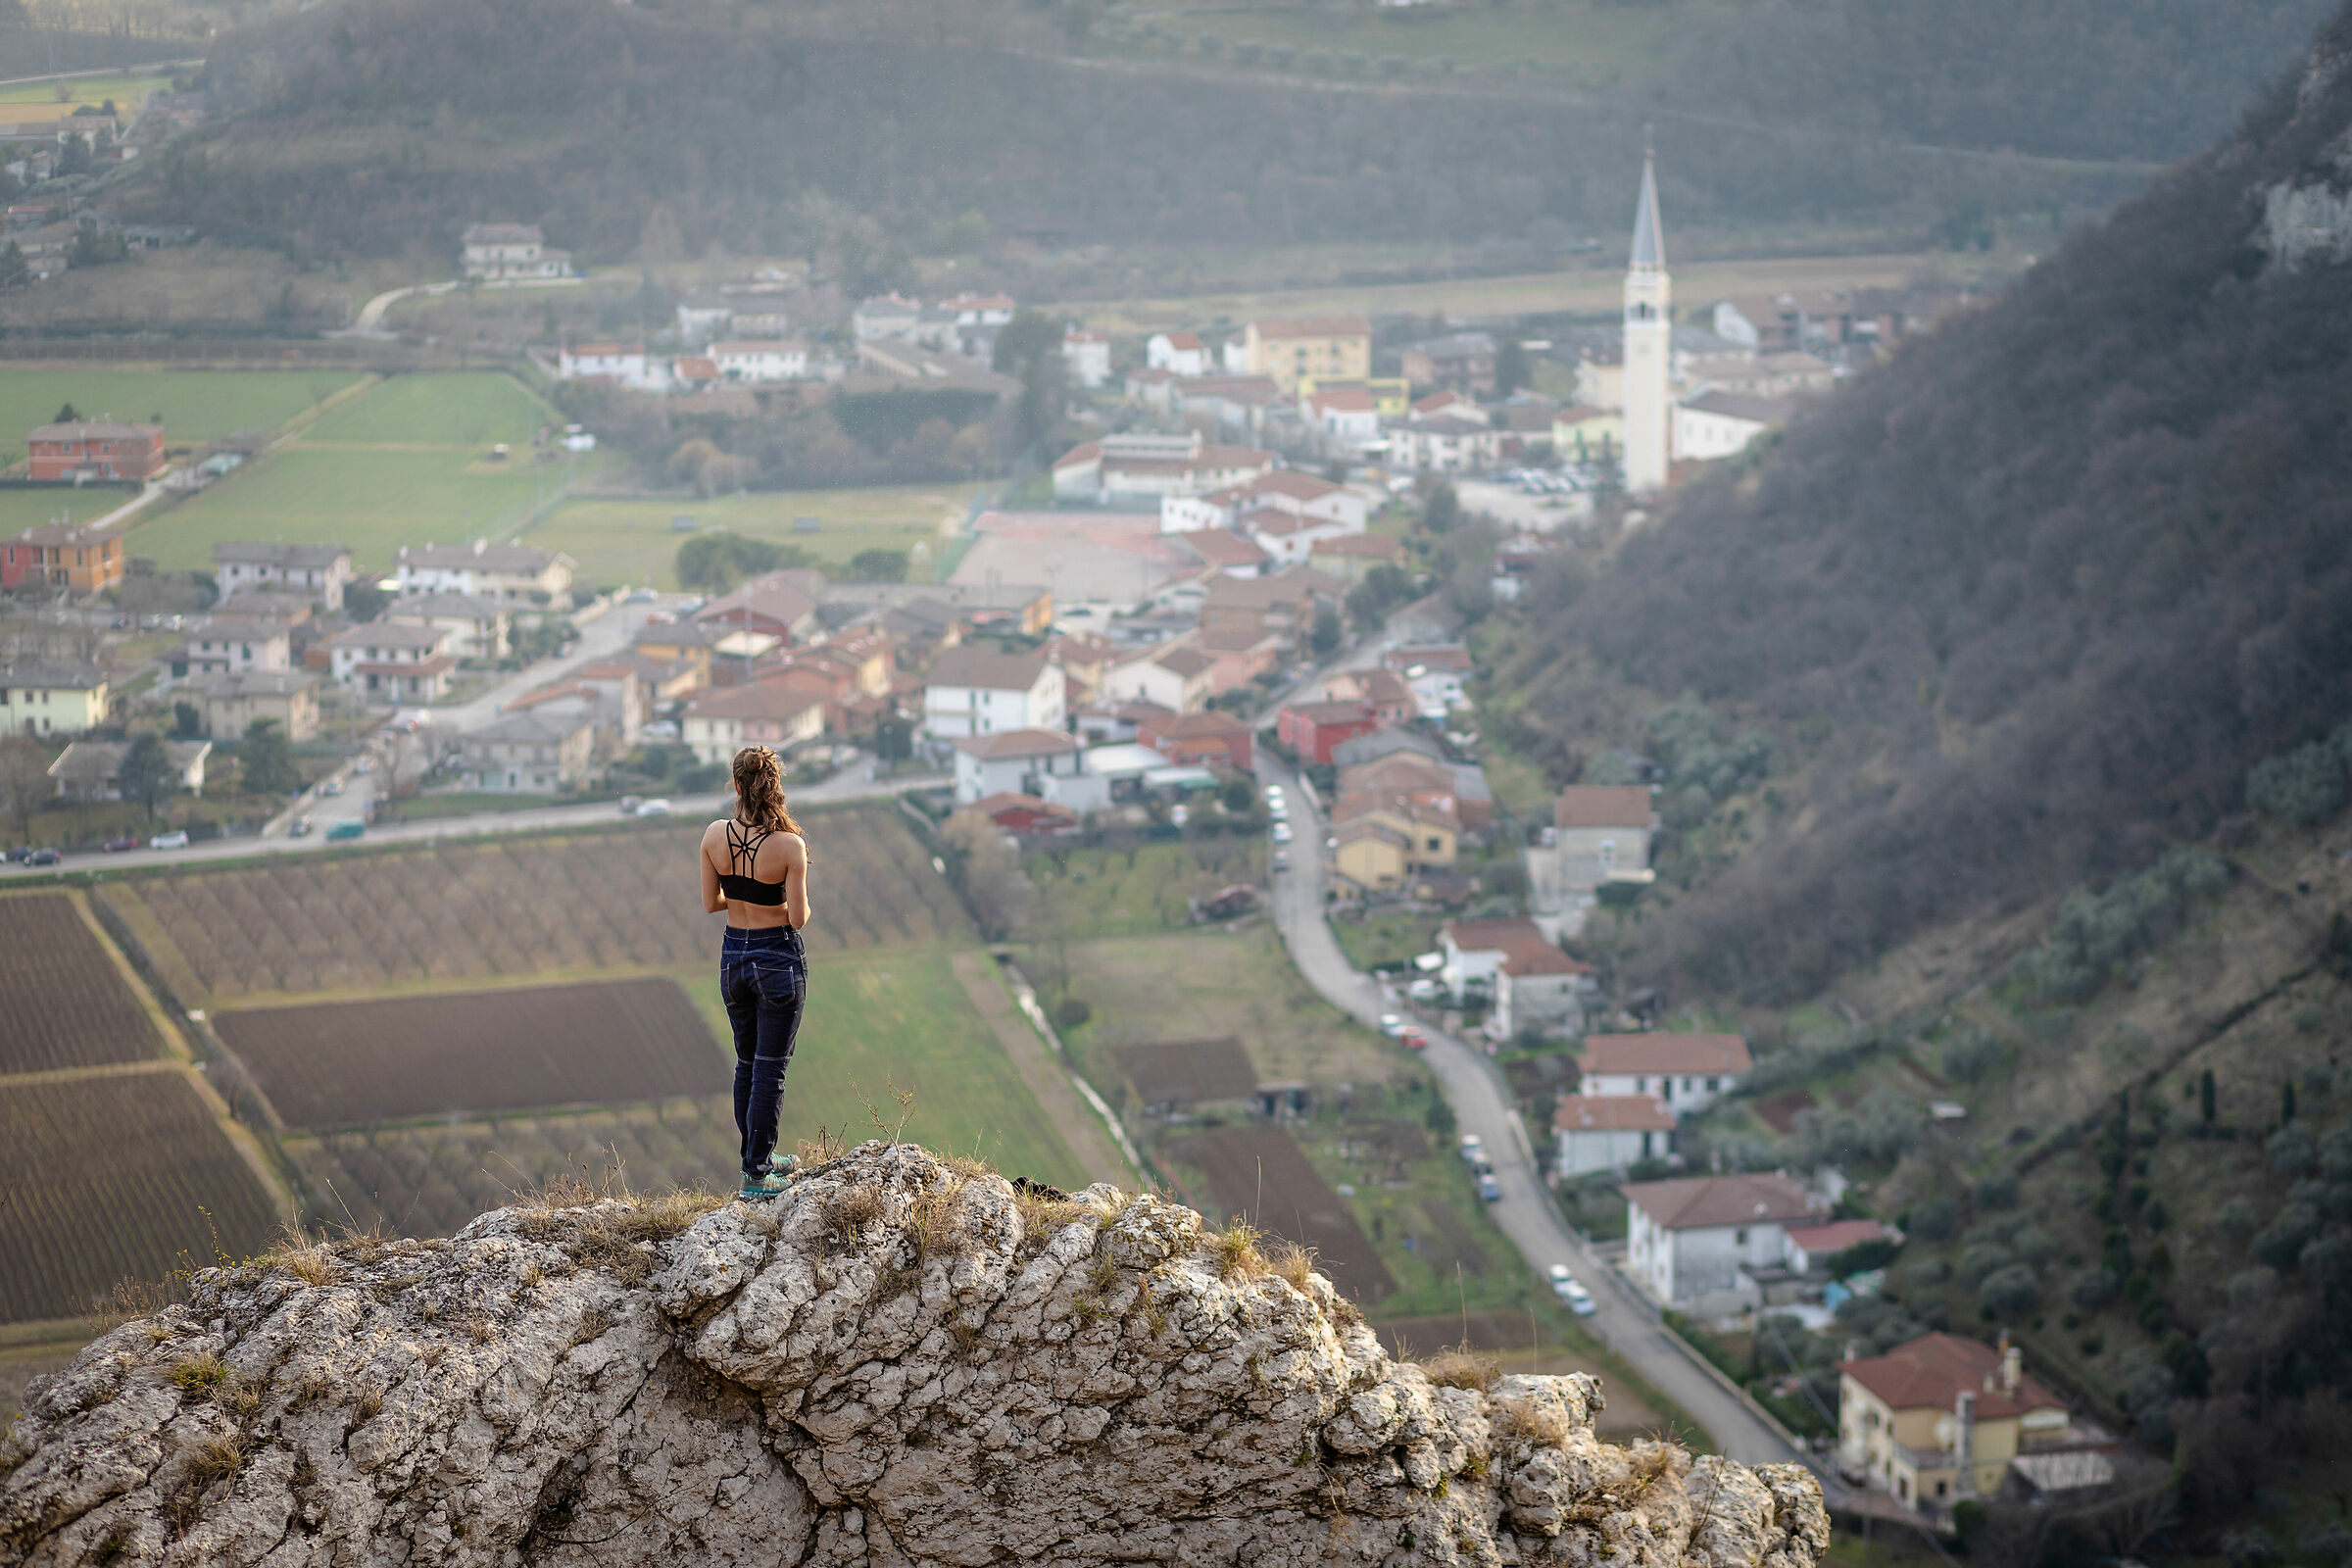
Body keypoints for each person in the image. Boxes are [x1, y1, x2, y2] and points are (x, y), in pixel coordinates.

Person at [700, 745, 812, 1200]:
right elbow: (799, 917)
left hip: (733, 958)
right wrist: (775, 900)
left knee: (747, 1063)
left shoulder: (713, 835)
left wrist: (743, 897)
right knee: (771, 1069)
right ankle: (756, 1174)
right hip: (776, 959)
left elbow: (712, 904)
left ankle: (757, 1155)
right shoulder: (789, 846)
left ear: (737, 785)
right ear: (775, 787)